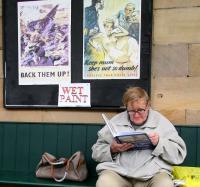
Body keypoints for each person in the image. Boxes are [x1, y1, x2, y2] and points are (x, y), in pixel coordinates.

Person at [92, 87, 187, 187]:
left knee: (165, 184)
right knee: (104, 182)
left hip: (153, 174)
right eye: (132, 111)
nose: (136, 115)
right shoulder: (116, 121)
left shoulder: (161, 122)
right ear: (126, 107)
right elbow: (96, 152)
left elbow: (178, 154)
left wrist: (159, 143)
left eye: (140, 110)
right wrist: (111, 149)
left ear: (148, 106)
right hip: (119, 173)